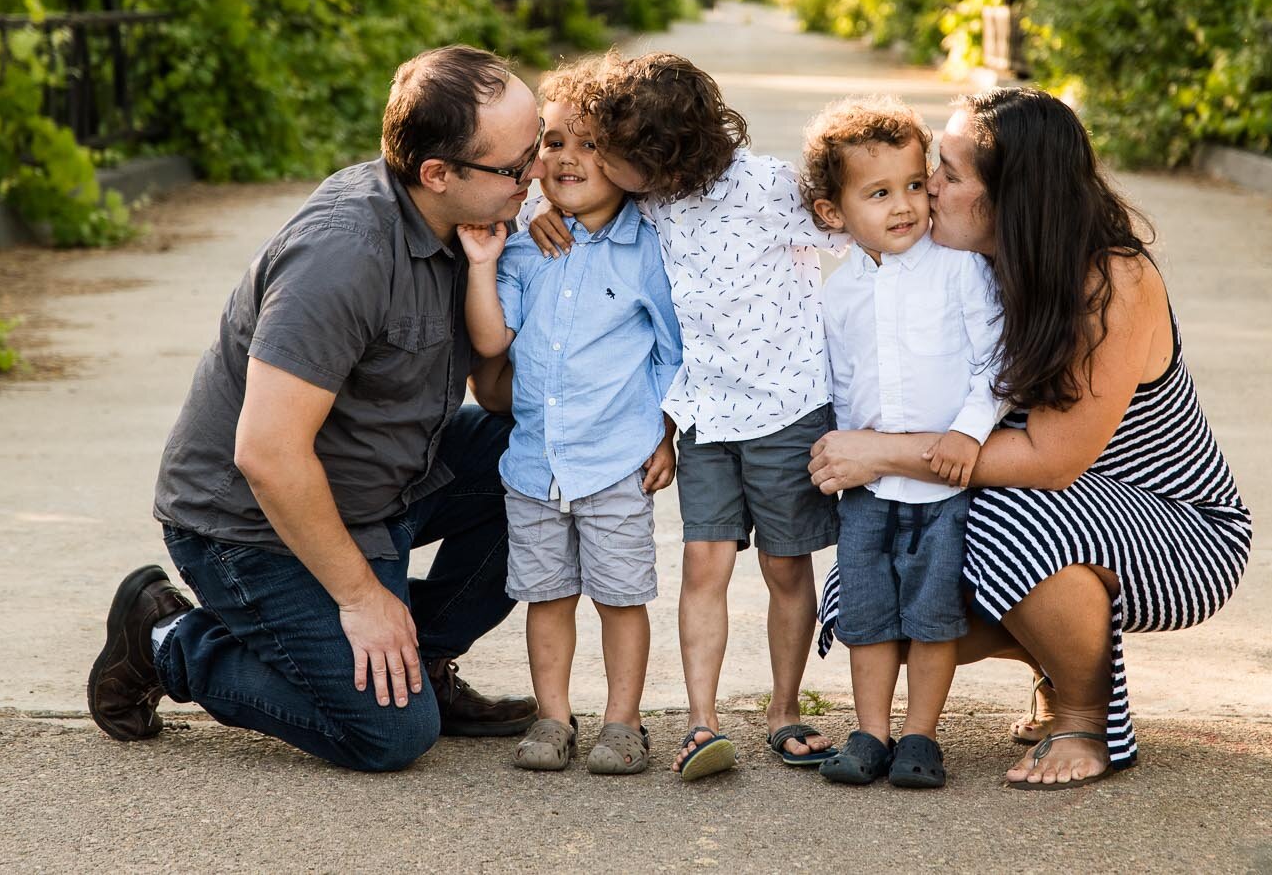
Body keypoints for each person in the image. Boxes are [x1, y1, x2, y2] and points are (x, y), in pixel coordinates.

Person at [86, 45, 543, 772]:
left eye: (540, 144)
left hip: (389, 484)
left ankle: (413, 662)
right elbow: (267, 453)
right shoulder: (343, 253)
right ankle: (167, 639)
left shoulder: (477, 221)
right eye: (520, 166)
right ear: (438, 173)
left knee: (550, 461)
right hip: (250, 523)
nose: (538, 174)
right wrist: (360, 595)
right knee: (392, 735)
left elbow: (495, 394)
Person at [810, 87, 1252, 789]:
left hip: (1181, 528)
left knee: (997, 517)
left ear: (1009, 196)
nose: (927, 192)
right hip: (1072, 508)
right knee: (876, 571)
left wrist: (883, 451)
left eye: (947, 176)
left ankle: (1084, 716)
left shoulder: (1113, 280)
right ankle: (1053, 658)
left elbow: (1050, 461)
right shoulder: (979, 265)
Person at [534, 51, 845, 779]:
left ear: (660, 156)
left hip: (786, 406)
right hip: (704, 411)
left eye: (611, 151)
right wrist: (544, 208)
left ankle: (785, 708)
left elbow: (850, 224)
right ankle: (702, 721)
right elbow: (547, 189)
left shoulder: (770, 186)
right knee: (701, 561)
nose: (597, 162)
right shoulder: (645, 202)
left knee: (785, 564)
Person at [459, 59, 683, 776]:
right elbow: (493, 342)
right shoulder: (527, 242)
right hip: (535, 462)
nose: (567, 158)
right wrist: (482, 264)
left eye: (589, 144)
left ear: (624, 157)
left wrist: (666, 428)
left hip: (615, 458)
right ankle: (553, 715)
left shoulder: (648, 246)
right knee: (547, 595)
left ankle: (624, 721)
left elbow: (673, 350)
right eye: (553, 142)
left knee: (621, 597)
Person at [798, 97, 1002, 790]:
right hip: (867, 492)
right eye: (879, 193)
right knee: (868, 614)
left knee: (933, 616)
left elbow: (994, 363)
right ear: (834, 213)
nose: (906, 205)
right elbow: (833, 381)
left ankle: (921, 734)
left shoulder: (957, 269)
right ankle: (871, 730)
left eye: (916, 184)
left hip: (940, 485)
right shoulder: (838, 291)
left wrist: (968, 432)